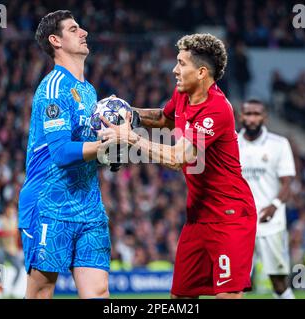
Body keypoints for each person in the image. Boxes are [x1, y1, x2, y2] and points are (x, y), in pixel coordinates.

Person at [101, 33, 257, 299]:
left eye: (181, 63)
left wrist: (131, 137)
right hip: (198, 217)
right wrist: (128, 113)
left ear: (201, 72)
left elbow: (178, 158)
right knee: (180, 298)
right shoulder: (184, 95)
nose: (174, 69)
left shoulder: (217, 110)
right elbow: (164, 118)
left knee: (227, 297)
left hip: (229, 216)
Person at [18, 10, 117, 299]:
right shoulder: (52, 88)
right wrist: (106, 148)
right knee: (41, 292)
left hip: (89, 206)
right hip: (49, 204)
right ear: (55, 40)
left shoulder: (89, 91)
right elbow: (61, 153)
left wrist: (112, 152)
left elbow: (91, 150)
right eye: (74, 29)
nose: (84, 32)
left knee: (98, 292)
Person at [237, 99, 296, 299]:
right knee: (234, 283)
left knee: (278, 283)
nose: (252, 118)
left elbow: (287, 184)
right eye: (248, 114)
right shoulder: (231, 144)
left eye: (256, 114)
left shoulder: (279, 144)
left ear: (264, 117)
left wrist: (274, 206)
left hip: (271, 223)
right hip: (239, 223)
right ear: (241, 116)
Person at [0, 202, 23, 296]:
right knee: (0, 267)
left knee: (19, 268)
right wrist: (10, 233)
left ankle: (12, 289)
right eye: (10, 208)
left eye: (13, 209)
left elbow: (18, 236)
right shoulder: (0, 219)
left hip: (12, 249)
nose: (11, 211)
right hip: (1, 247)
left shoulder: (15, 220)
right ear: (6, 210)